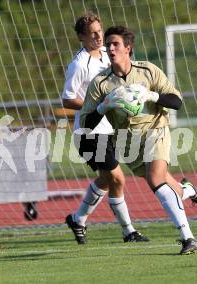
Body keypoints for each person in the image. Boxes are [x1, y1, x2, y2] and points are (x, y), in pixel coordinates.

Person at [79, 26, 197, 255]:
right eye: (108, 44)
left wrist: (151, 95)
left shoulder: (148, 71)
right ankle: (187, 190)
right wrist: (103, 106)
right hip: (127, 141)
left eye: (115, 44)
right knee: (165, 185)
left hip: (156, 129)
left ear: (128, 48)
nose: (110, 48)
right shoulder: (100, 83)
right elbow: (86, 125)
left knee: (155, 178)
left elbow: (176, 101)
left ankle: (188, 237)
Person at [61, 13, 149, 244]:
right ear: (81, 36)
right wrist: (100, 104)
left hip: (108, 128)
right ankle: (128, 231)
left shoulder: (107, 56)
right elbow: (67, 100)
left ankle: (78, 219)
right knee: (117, 178)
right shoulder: (79, 64)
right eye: (92, 33)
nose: (99, 36)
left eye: (100, 31)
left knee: (106, 178)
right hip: (89, 132)